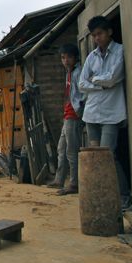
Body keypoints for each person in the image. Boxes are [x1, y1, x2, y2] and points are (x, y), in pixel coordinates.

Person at [79, 16, 131, 208]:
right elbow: (82, 84)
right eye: (94, 35)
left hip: (111, 114)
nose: (97, 38)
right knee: (94, 157)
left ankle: (124, 196)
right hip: (92, 114)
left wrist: (95, 80)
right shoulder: (91, 56)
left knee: (108, 156)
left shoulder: (119, 51)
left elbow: (114, 77)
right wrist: (101, 84)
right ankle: (101, 197)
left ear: (109, 31)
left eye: (99, 34)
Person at [47, 44, 84, 195]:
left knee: (71, 151)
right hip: (67, 115)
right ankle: (59, 180)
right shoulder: (69, 73)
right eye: (63, 57)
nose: (66, 60)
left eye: (69, 57)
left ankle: (74, 184)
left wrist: (80, 110)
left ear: (75, 58)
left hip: (74, 116)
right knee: (61, 149)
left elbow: (84, 93)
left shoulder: (78, 72)